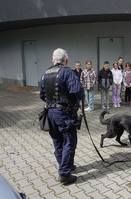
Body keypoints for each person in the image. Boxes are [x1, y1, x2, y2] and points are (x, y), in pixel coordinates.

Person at [40, 48, 84, 185]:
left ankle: (66, 166)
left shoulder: (44, 74)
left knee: (58, 142)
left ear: (53, 61)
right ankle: (64, 173)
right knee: (69, 141)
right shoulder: (67, 71)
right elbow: (78, 91)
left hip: (50, 113)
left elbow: (42, 95)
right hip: (64, 113)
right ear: (66, 60)